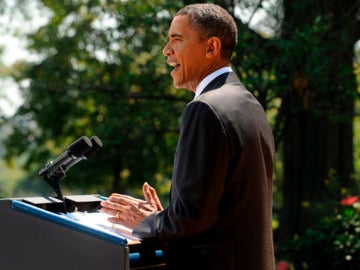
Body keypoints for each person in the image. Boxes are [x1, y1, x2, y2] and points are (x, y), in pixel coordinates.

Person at [101, 3, 276, 270]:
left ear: (211, 48)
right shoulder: (251, 106)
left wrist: (145, 223)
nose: (166, 50)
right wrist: (164, 217)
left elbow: (191, 220)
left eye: (176, 39)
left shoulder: (204, 109)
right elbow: (214, 211)